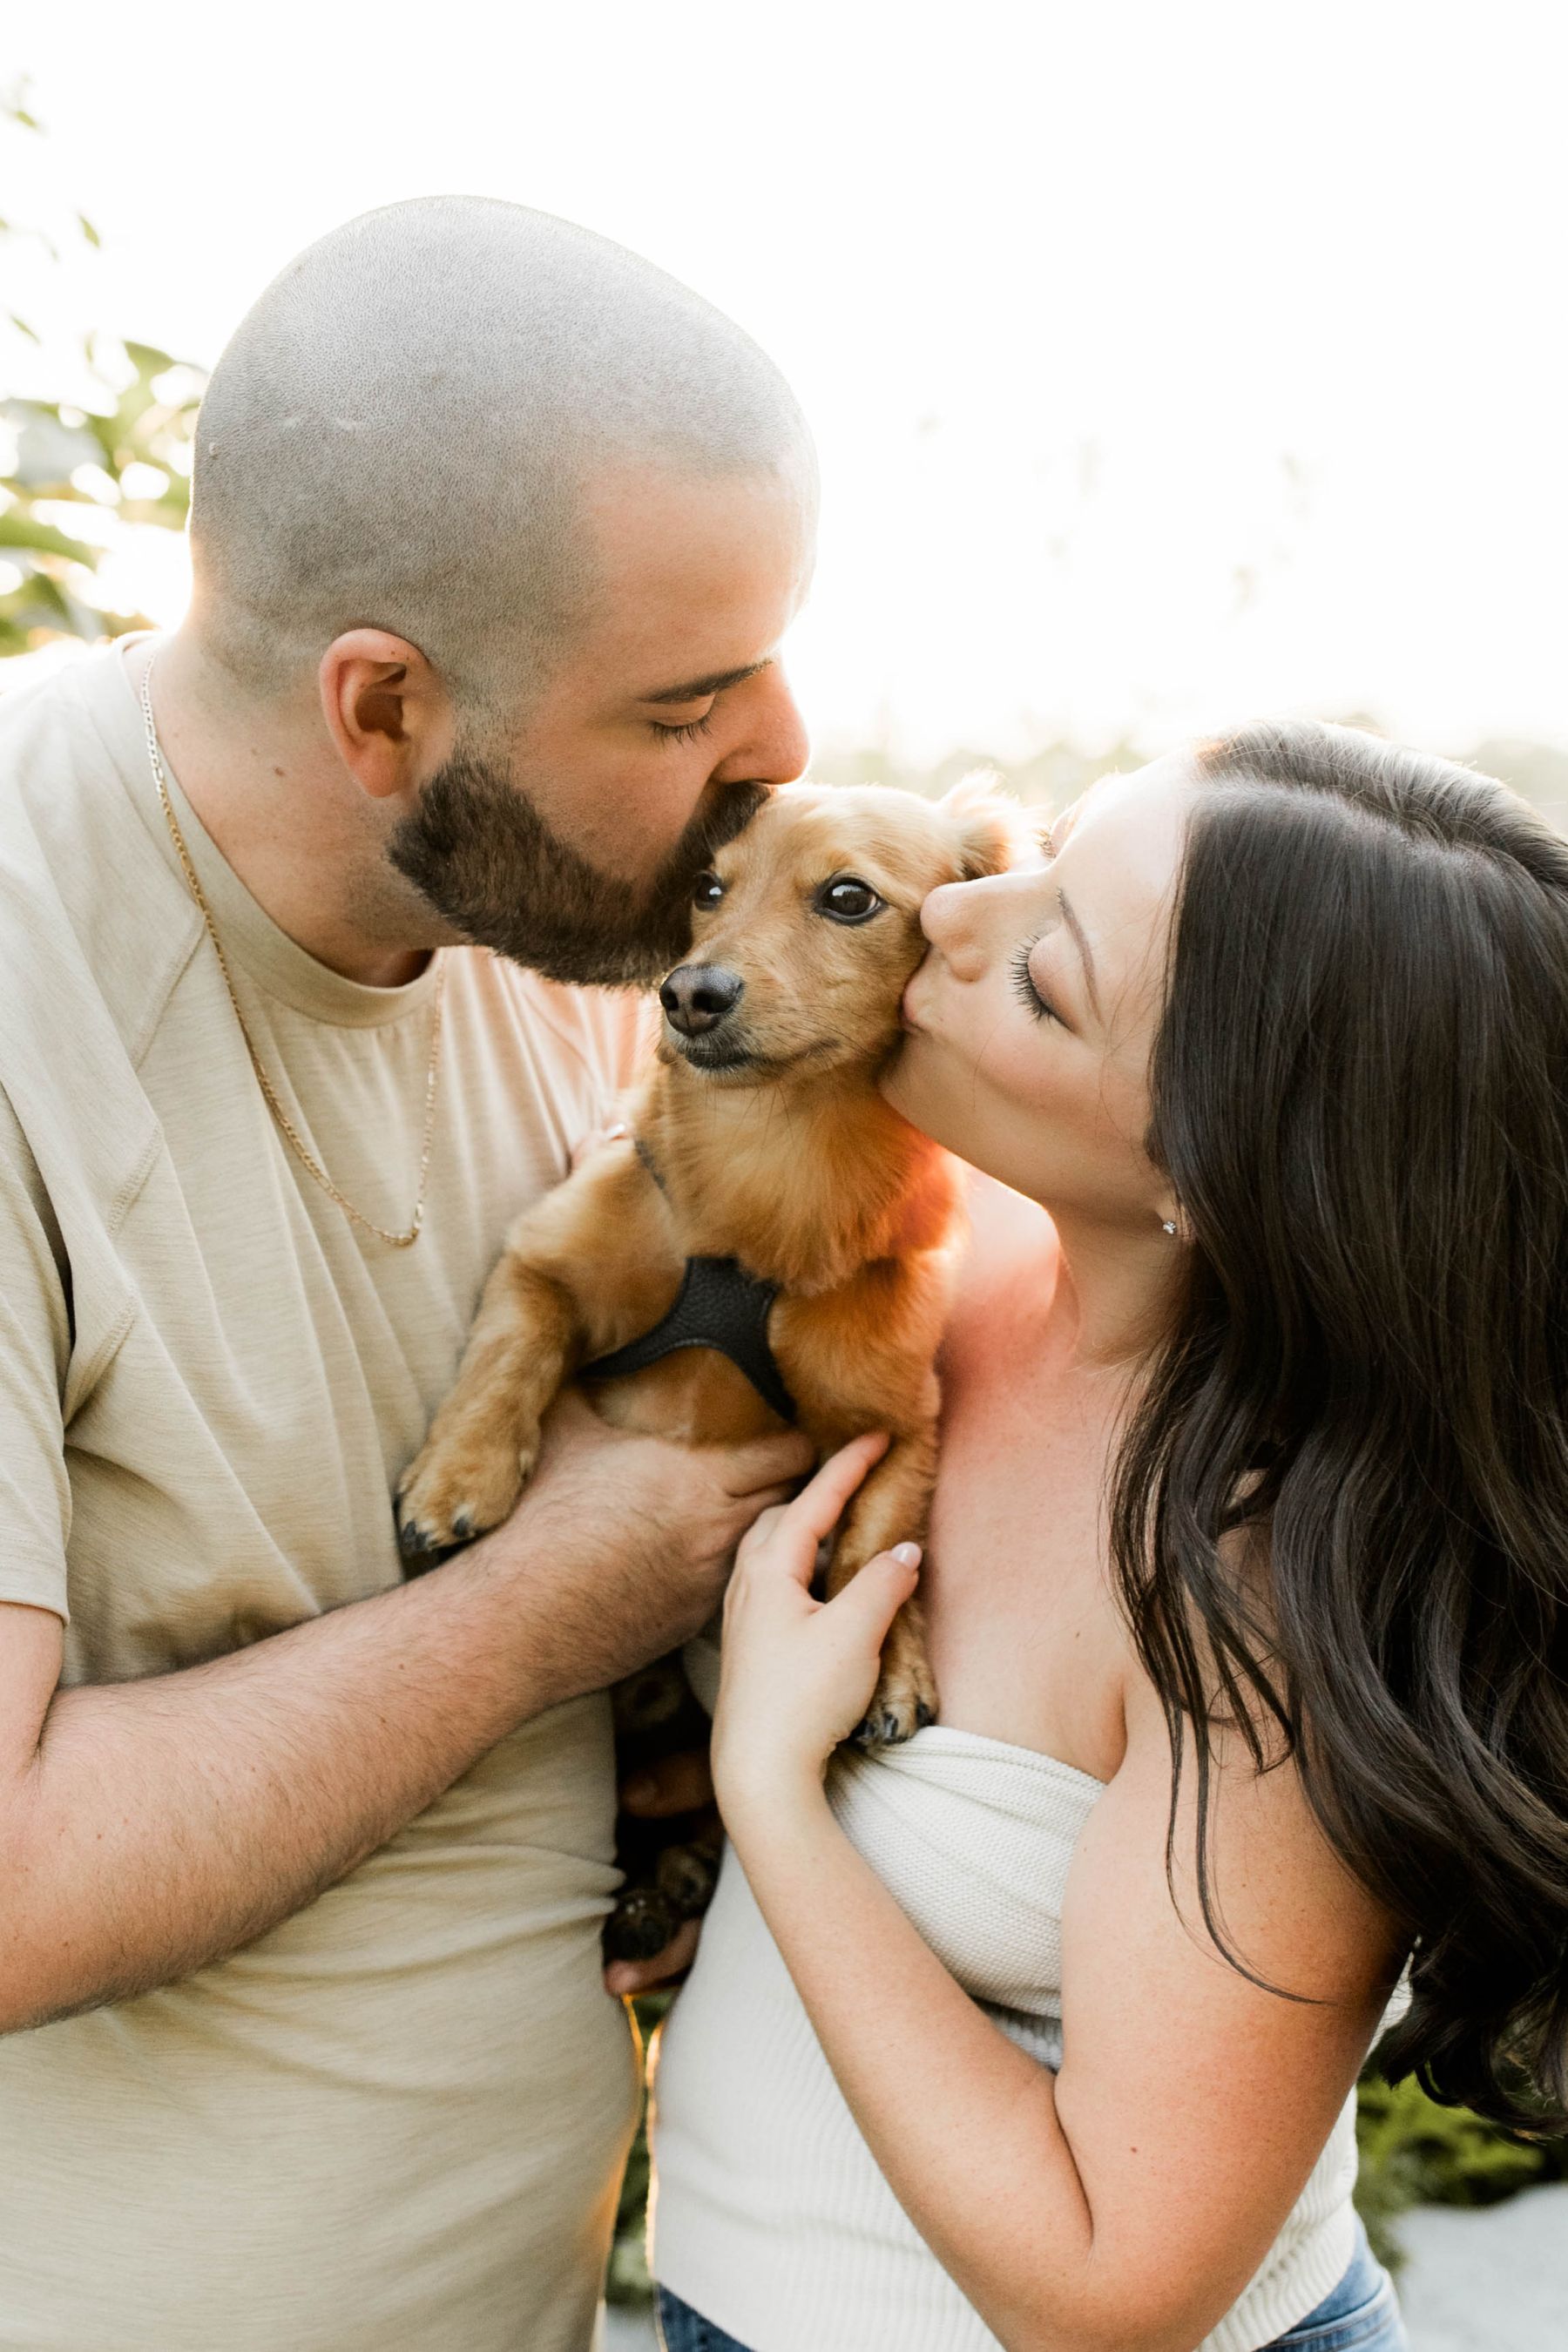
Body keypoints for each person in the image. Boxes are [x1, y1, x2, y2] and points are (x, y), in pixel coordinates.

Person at [0, 195, 819, 2352]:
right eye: (690, 701)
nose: (785, 748)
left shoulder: (576, 936)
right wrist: (561, 1599)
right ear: (383, 707)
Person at [652, 722, 1568, 2352]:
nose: (959, 915)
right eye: (1052, 853)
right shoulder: (941, 1249)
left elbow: (1108, 2296)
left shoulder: (1261, 1595)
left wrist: (773, 1801)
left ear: (1210, 1176)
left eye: (1045, 976)